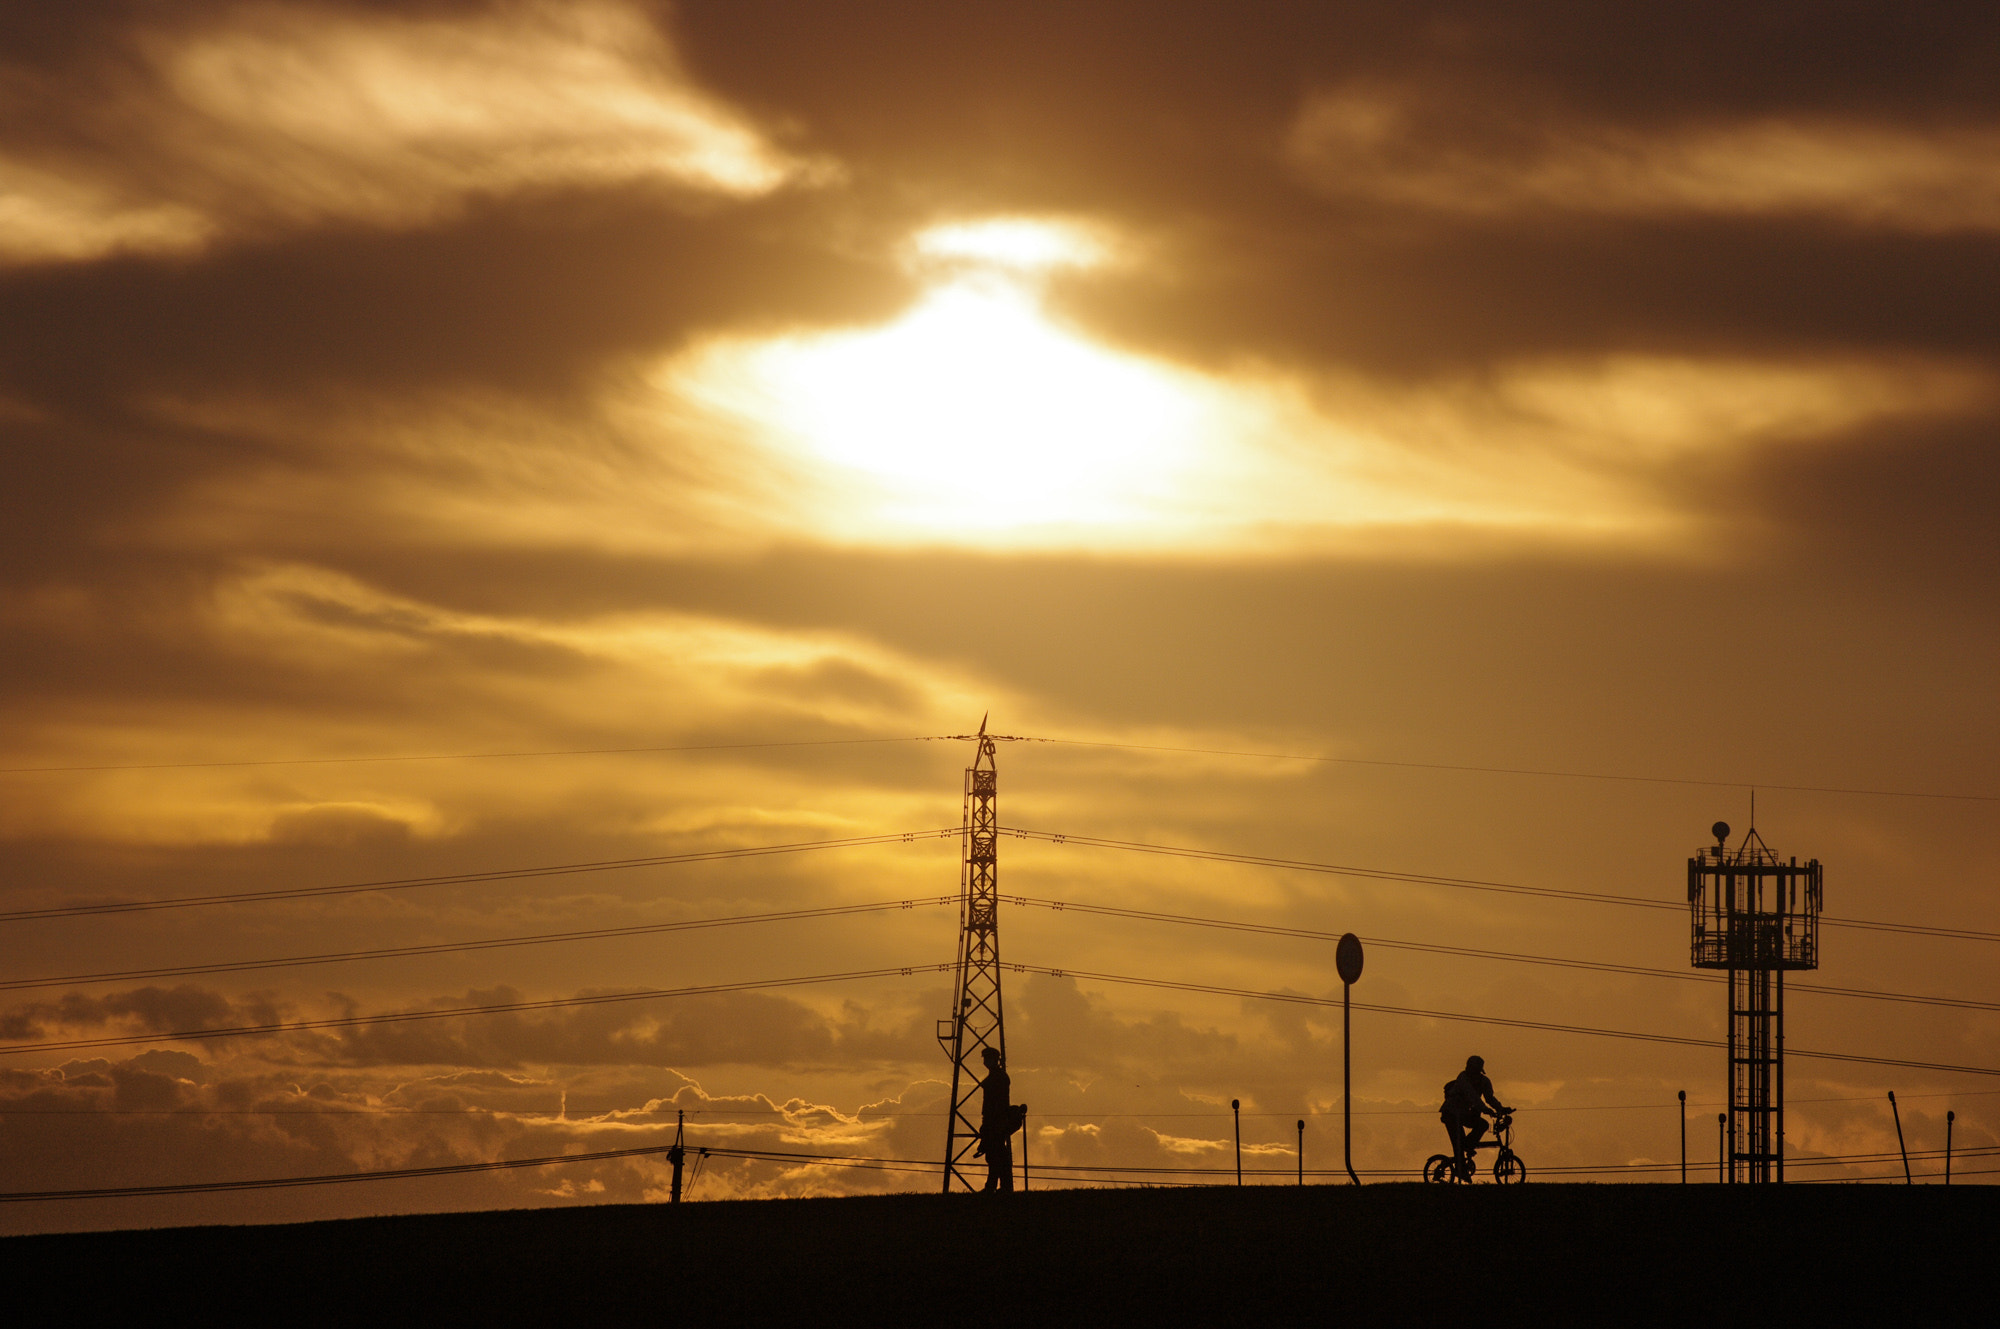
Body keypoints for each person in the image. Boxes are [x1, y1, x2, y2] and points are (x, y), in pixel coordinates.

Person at [1440, 1055, 1510, 1174]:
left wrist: (1501, 1109)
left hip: (1464, 1113)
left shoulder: (1484, 1081)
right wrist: (1485, 1110)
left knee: (1482, 1124)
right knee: (1458, 1142)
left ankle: (1467, 1146)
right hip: (1451, 1114)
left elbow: (1489, 1098)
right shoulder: (1462, 1079)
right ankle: (1460, 1167)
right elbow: (1472, 1097)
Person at [977, 1045, 1014, 1192]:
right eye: (985, 1058)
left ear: (995, 1060)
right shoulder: (996, 1076)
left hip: (996, 1120)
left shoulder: (999, 1077)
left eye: (988, 1058)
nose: (986, 1061)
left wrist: (991, 1123)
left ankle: (995, 1186)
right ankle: (1002, 1186)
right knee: (996, 1155)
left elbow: (997, 1103)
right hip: (993, 1120)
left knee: (995, 1156)